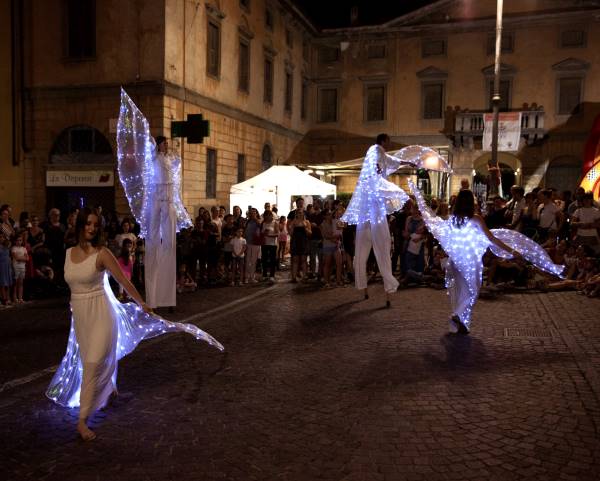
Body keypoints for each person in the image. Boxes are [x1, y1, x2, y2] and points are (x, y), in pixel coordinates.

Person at [46, 208, 223, 441]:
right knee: (94, 360)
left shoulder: (103, 253)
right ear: (80, 225)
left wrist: (141, 303)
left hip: (101, 314)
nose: (91, 228)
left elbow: (124, 281)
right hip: (80, 317)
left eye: (95, 224)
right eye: (88, 223)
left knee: (92, 363)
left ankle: (82, 420)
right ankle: (109, 390)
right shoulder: (68, 253)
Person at [408, 180, 564, 335]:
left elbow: (444, 233)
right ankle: (457, 316)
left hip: (455, 261)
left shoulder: (452, 220)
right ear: (471, 202)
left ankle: (461, 325)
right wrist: (511, 250)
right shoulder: (475, 218)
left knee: (460, 292)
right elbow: (492, 239)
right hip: (470, 261)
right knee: (472, 292)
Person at [116, 89, 192, 310]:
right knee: (153, 245)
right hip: (156, 203)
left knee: (169, 246)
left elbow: (176, 169)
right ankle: (154, 297)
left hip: (168, 201)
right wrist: (142, 128)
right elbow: (144, 150)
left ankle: (167, 297)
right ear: (158, 145)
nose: (167, 146)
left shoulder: (169, 160)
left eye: (167, 144)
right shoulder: (153, 158)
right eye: (164, 143)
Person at [340, 134, 408, 305]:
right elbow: (388, 162)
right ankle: (388, 292)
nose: (388, 145)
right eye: (388, 142)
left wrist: (406, 163)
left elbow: (392, 162)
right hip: (376, 217)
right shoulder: (377, 151)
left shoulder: (371, 165)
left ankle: (363, 289)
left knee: (361, 256)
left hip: (365, 218)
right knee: (383, 253)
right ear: (383, 141)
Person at [11, 233, 28, 303]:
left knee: (21, 283)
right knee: (15, 283)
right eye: (17, 240)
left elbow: (27, 258)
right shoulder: (13, 248)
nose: (19, 242)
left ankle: (20, 297)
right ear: (15, 241)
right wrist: (23, 258)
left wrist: (21, 258)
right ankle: (15, 298)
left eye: (20, 240)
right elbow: (16, 257)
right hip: (16, 267)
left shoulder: (24, 248)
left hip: (22, 267)